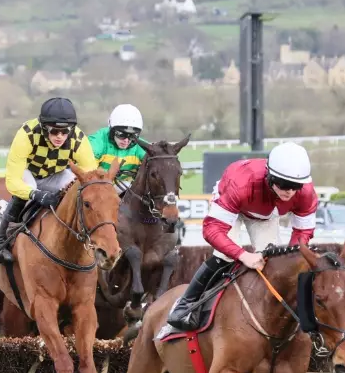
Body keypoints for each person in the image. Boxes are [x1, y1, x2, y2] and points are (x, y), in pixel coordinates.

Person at [166, 141, 318, 330]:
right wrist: (243, 255)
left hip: (265, 214)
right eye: (284, 184)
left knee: (278, 263)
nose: (290, 191)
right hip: (234, 204)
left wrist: (291, 259)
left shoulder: (306, 193)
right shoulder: (241, 183)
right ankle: (185, 305)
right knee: (226, 254)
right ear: (270, 176)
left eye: (295, 186)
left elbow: (303, 233)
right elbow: (212, 230)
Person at [0, 97, 99, 264]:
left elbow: (90, 178)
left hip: (57, 175)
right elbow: (13, 182)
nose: (60, 136)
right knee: (28, 187)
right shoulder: (27, 135)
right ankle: (0, 242)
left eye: (65, 131)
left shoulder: (79, 140)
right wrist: (37, 195)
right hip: (29, 174)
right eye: (54, 131)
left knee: (76, 184)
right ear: (44, 128)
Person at [88, 103, 148, 189]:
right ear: (111, 130)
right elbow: (87, 174)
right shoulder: (97, 142)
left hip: (125, 187)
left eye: (132, 135)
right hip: (99, 187)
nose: (126, 140)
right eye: (121, 134)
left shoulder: (140, 147)